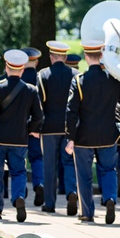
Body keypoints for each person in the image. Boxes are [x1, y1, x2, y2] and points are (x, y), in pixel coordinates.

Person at [66, 38, 120, 224]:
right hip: (108, 135)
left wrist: (70, 137)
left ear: (86, 57)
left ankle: (87, 212)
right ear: (102, 55)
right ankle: (110, 199)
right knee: (109, 170)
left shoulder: (79, 81)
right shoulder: (113, 80)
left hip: (83, 137)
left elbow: (71, 112)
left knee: (84, 176)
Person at [0, 49, 44, 221]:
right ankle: (18, 196)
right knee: (19, 172)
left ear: (6, 67)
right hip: (19, 139)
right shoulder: (31, 90)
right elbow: (39, 116)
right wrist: (29, 129)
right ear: (22, 69)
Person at [38, 41, 78, 214]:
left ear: (51, 57)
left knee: (49, 165)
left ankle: (50, 203)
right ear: (65, 57)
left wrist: (36, 125)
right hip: (70, 127)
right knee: (69, 162)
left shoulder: (43, 75)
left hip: (49, 127)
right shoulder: (76, 74)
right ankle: (71, 192)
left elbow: (39, 104)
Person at [22, 47, 46, 207]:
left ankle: (22, 189)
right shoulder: (40, 78)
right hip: (36, 127)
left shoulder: (18, 77)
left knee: (19, 159)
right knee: (37, 158)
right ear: (36, 61)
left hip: (19, 126)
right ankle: (39, 184)